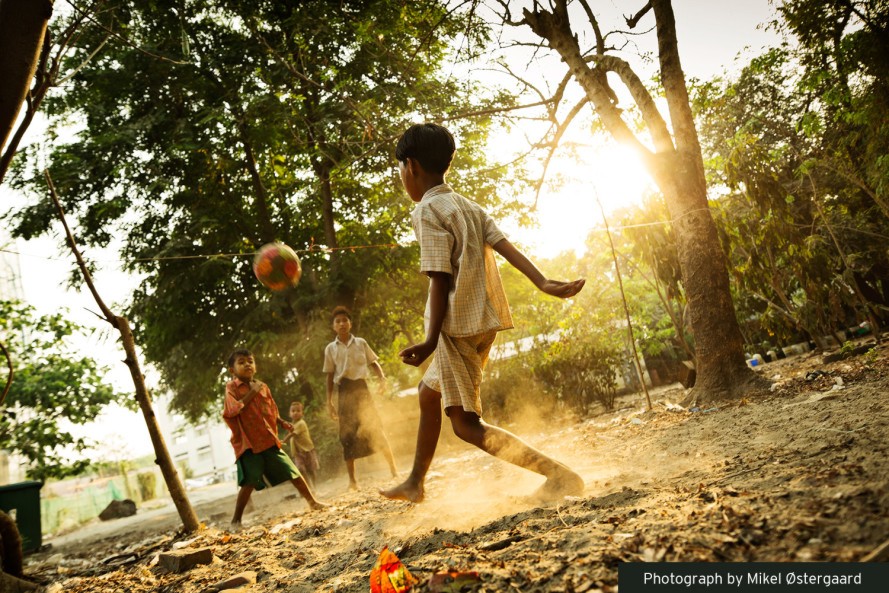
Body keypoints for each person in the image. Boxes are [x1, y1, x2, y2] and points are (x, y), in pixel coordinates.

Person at [380, 123, 586, 504]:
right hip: (481, 323)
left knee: (465, 425)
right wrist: (542, 282)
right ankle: (414, 483)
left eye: (401, 171)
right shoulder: (468, 206)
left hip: (453, 329)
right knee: (428, 395)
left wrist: (428, 341)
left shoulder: (427, 211)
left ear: (410, 166)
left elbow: (439, 280)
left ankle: (560, 475)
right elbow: (506, 247)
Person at [223, 349, 326, 529]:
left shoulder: (262, 386)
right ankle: (236, 520)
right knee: (249, 482)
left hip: (268, 439)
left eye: (250, 361)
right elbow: (233, 410)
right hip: (249, 444)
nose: (247, 364)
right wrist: (251, 393)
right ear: (232, 370)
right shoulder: (231, 388)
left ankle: (313, 502)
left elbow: (270, 410)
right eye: (241, 362)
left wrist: (281, 422)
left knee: (293, 471)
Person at [324, 306, 399, 490]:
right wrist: (329, 401)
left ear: (350, 323)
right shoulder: (330, 349)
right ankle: (352, 481)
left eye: (345, 320)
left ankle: (394, 470)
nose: (342, 324)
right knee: (347, 435)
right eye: (338, 321)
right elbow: (329, 376)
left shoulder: (361, 343)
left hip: (362, 390)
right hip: (344, 391)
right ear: (334, 326)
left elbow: (374, 363)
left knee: (375, 428)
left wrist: (382, 379)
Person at [283, 401, 320, 488]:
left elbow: (292, 434)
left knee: (311, 470)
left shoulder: (301, 423)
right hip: (298, 453)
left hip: (308, 450)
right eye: (293, 411)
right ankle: (308, 487)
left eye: (298, 410)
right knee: (301, 469)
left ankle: (314, 486)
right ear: (289, 414)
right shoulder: (292, 425)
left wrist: (283, 441)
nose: (295, 413)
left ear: (302, 413)